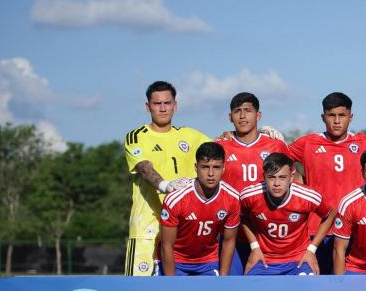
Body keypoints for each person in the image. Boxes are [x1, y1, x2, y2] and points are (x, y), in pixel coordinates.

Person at [124, 81, 211, 276]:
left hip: (184, 223)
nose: (163, 108)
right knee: (137, 288)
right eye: (157, 103)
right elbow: (144, 168)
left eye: (167, 103)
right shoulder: (137, 136)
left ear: (175, 105)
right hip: (147, 224)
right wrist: (166, 186)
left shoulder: (191, 136)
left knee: (177, 288)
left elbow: (222, 149)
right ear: (148, 107)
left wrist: (261, 135)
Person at [288, 92, 366, 274]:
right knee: (317, 288)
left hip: (354, 229)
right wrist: (296, 178)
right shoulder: (308, 143)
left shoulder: (363, 143)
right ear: (323, 117)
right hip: (316, 229)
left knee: (348, 287)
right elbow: (276, 157)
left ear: (350, 117)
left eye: (342, 115)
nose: (337, 121)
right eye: (331, 115)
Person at [216, 92, 291, 275]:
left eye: (248, 111)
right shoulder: (220, 146)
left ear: (258, 115)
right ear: (230, 117)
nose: (242, 116)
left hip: (266, 235)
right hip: (230, 233)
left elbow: (292, 181)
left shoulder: (275, 145)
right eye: (237, 111)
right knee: (230, 288)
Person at [239, 153, 335, 275]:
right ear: (264, 177)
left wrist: (311, 250)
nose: (277, 183)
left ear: (291, 177)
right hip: (264, 258)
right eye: (271, 177)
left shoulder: (307, 196)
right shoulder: (249, 196)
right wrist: (254, 247)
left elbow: (329, 214)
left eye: (282, 177)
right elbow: (241, 216)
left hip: (299, 259)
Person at [159, 142, 240, 276]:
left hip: (208, 262)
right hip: (177, 261)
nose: (210, 173)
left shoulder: (232, 198)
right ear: (196, 168)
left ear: (223, 169)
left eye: (216, 167)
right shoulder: (176, 198)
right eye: (205, 167)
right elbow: (167, 245)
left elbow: (229, 240)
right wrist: (170, 283)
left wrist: (223, 279)